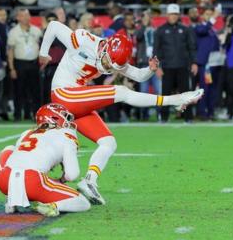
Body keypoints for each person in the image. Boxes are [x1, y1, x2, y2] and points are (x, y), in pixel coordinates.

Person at [38, 18, 203, 205]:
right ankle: (174, 100)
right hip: (63, 94)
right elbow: (53, 26)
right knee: (121, 91)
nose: (108, 67)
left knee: (108, 142)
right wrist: (44, 53)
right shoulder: (82, 39)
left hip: (78, 99)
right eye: (109, 63)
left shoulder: (114, 58)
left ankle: (89, 181)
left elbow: (138, 76)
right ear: (106, 48)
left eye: (113, 67)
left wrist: (149, 70)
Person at [0, 103, 91, 217]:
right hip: (32, 181)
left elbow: (14, 154)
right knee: (83, 202)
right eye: (64, 116)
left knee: (9, 149)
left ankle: (11, 199)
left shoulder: (27, 133)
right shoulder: (67, 135)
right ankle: (52, 206)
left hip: (4, 180)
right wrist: (60, 180)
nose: (68, 121)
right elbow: (72, 174)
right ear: (54, 118)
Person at [154, 4, 199, 123]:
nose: (173, 16)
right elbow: (156, 50)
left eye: (175, 14)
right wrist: (157, 67)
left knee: (185, 94)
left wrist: (194, 63)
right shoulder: (161, 30)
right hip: (167, 67)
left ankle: (188, 118)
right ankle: (163, 118)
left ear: (178, 15)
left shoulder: (185, 29)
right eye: (171, 14)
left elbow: (191, 47)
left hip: (183, 66)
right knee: (165, 95)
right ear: (167, 15)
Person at [7, 9, 42, 121]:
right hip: (20, 63)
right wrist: (11, 68)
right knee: (19, 90)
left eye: (28, 15)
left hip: (34, 63)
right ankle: (17, 115)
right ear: (18, 18)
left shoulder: (37, 31)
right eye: (23, 16)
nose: (26, 18)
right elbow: (10, 51)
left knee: (35, 91)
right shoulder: (13, 32)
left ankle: (35, 114)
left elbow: (42, 47)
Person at [194, 7, 220, 120]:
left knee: (212, 88)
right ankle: (202, 112)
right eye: (207, 14)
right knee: (205, 88)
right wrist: (214, 18)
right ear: (202, 16)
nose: (209, 16)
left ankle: (210, 112)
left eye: (211, 14)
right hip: (206, 64)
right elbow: (202, 31)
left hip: (214, 63)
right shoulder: (200, 27)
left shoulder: (212, 30)